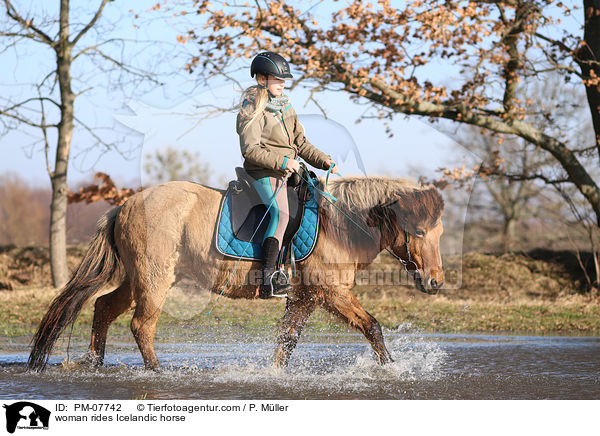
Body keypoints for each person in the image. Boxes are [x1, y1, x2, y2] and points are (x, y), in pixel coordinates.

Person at [236, 51, 338, 299]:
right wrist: (282, 161)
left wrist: (323, 160)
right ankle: (268, 280)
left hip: (288, 170)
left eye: (284, 80)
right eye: (277, 79)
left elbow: (300, 143)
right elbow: (250, 150)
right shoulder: (252, 109)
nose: (282, 84)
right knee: (280, 214)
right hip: (262, 171)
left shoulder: (285, 107)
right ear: (262, 79)